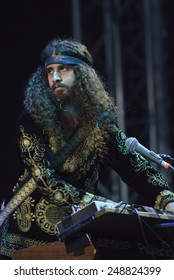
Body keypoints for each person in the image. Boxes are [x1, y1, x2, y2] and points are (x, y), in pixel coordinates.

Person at [0, 37, 174, 259]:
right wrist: (105, 206)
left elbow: (135, 169)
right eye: (49, 71)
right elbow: (44, 178)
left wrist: (167, 201)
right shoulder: (32, 120)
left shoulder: (102, 126)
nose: (54, 77)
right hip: (24, 240)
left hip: (78, 236)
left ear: (82, 75)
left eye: (63, 69)